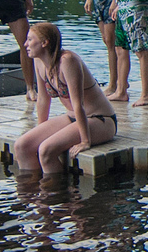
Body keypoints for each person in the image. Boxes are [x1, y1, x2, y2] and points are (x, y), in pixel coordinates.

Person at [14, 21, 117, 173]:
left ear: (44, 42)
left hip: (101, 120)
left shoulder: (68, 61)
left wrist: (85, 141)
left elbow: (78, 104)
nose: (25, 44)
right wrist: (41, 131)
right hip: (71, 117)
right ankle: (30, 192)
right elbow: (43, 99)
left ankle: (55, 194)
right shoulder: (38, 61)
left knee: (46, 150)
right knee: (22, 145)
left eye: (30, 39)